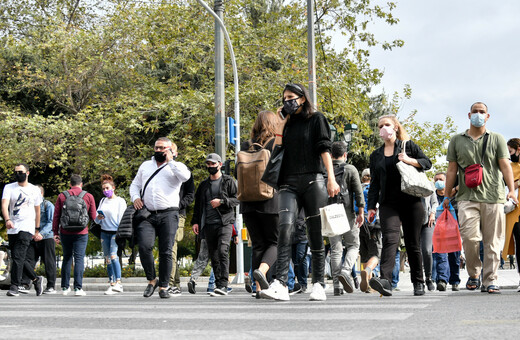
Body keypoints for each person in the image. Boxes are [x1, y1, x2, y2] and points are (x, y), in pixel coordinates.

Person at [260, 83, 339, 302]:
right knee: (285, 227)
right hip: (288, 182)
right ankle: (281, 284)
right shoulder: (287, 122)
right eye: (284, 98)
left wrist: (330, 178)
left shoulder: (317, 119)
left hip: (314, 180)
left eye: (291, 97)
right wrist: (281, 123)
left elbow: (324, 149)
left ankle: (318, 284)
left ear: (302, 98)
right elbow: (277, 148)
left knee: (314, 232)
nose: (287, 101)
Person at [444, 102, 517, 294]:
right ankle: (474, 273)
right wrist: (446, 194)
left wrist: (511, 190)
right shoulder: (457, 140)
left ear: (488, 116)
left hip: (493, 196)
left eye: (481, 112)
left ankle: (490, 280)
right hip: (466, 197)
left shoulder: (497, 139)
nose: (478, 114)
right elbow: (451, 170)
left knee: (493, 241)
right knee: (469, 238)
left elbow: (505, 165)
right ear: (469, 115)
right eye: (475, 111)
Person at [367, 114, 432, 296]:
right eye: (380, 126)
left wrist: (409, 160)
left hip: (411, 201)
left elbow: (427, 163)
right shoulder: (376, 155)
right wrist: (371, 207)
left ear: (395, 127)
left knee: (413, 243)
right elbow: (374, 183)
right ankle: (385, 281)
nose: (383, 128)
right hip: (388, 203)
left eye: (387, 124)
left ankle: (418, 282)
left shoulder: (408, 146)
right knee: (390, 239)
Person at [130, 137, 191, 299]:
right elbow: (135, 184)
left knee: (166, 251)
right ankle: (152, 280)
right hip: (147, 214)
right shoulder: (145, 166)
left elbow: (185, 177)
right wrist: (135, 196)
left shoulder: (177, 167)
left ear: (170, 150)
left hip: (169, 214)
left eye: (162, 148)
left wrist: (170, 161)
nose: (158, 151)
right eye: (157, 148)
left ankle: (163, 286)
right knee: (144, 246)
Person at [239, 110, 280, 297]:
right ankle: (262, 272)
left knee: (257, 245)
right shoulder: (275, 144)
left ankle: (257, 288)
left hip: (248, 203)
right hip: (271, 201)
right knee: (275, 242)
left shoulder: (245, 146)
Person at [192, 153, 239, 296]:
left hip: (224, 222)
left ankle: (224, 284)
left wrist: (222, 201)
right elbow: (198, 206)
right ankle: (219, 285)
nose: (210, 166)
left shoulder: (229, 181)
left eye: (213, 164)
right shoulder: (203, 185)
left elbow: (237, 200)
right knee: (214, 256)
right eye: (208, 164)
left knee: (223, 251)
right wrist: (195, 222)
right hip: (208, 224)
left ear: (220, 165)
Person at [1, 163, 44, 297]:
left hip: (27, 226)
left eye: (21, 172)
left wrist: (37, 229)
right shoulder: (9, 187)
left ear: (27, 173)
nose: (18, 174)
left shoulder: (34, 190)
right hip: (13, 226)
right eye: (16, 172)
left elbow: (38, 211)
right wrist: (7, 219)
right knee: (17, 257)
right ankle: (36, 279)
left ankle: (14, 286)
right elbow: (4, 204)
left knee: (18, 256)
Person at [328, 141, 364, 296]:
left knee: (335, 250)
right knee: (353, 245)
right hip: (347, 213)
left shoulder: (326, 169)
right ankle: (346, 270)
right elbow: (358, 191)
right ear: (345, 155)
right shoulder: (350, 169)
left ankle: (337, 286)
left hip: (329, 212)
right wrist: (361, 211)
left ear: (330, 155)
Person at [53, 174, 97, 296]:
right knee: (79, 258)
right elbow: (94, 216)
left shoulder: (62, 196)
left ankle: (65, 288)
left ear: (70, 184)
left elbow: (56, 216)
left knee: (67, 257)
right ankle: (78, 288)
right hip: (81, 232)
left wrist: (55, 233)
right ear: (81, 184)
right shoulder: (88, 196)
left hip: (65, 231)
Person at [94, 174, 127, 295]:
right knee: (107, 259)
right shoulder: (103, 201)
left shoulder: (120, 201)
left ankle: (119, 282)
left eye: (107, 188)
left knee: (114, 256)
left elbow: (122, 219)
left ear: (113, 188)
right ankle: (111, 283)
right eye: (103, 189)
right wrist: (98, 217)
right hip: (104, 232)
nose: (105, 191)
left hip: (115, 232)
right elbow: (96, 220)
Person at [21, 185, 56, 294]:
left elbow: (52, 222)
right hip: (31, 236)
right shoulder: (28, 206)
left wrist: (41, 233)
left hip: (46, 237)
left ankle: (51, 286)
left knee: (49, 262)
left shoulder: (48, 205)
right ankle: (26, 283)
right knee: (27, 260)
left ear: (41, 194)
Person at [167, 173, 195, 296]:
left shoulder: (184, 171)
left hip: (178, 214)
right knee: (168, 249)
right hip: (163, 214)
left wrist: (177, 205)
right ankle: (175, 284)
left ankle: (168, 283)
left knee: (171, 247)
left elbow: (190, 194)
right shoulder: (159, 168)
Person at [432, 171, 460, 291]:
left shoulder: (454, 196)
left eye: (441, 179)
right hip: (438, 232)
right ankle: (442, 280)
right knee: (440, 254)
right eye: (436, 179)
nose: (439, 181)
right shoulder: (432, 196)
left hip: (453, 230)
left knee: (454, 255)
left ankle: (454, 280)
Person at [356, 168, 382, 293]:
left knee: (365, 254)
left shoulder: (357, 189)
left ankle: (368, 285)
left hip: (358, 224)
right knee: (376, 254)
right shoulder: (376, 188)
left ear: (362, 178)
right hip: (373, 224)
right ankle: (367, 271)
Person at [502, 138, 520, 291]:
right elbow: (509, 185)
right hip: (515, 212)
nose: (510, 155)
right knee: (519, 244)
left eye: (511, 151)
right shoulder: (509, 167)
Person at [420, 192, 438, 291]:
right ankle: (418, 280)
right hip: (413, 221)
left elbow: (434, 202)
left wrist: (433, 212)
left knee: (427, 250)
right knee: (416, 252)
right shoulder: (408, 182)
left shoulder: (429, 185)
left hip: (428, 222)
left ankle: (428, 278)